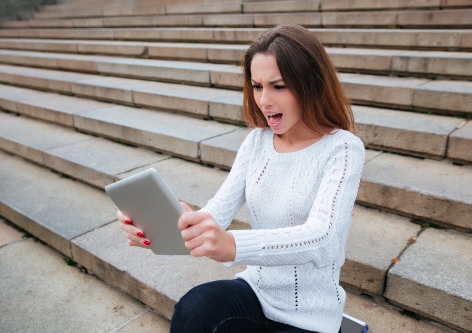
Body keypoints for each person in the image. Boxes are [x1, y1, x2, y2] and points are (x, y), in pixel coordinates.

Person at [118, 25, 365, 333]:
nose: (264, 100)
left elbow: (323, 239)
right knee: (193, 308)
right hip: (257, 292)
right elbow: (218, 210)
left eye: (279, 86)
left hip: (312, 316)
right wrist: (174, 223)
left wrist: (234, 245)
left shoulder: (343, 148)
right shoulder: (257, 142)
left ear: (310, 84)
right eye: (257, 86)